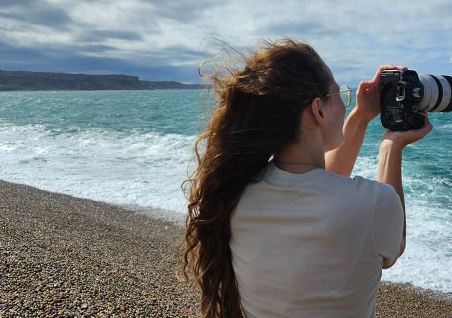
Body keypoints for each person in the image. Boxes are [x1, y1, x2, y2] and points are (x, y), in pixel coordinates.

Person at [182, 38, 432, 317]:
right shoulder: (373, 204)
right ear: (318, 110)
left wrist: (362, 115)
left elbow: (319, 190)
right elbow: (392, 243)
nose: (345, 104)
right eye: (340, 95)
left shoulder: (237, 195)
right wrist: (390, 146)